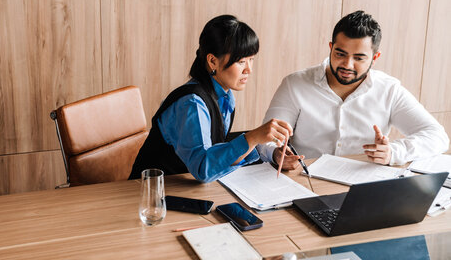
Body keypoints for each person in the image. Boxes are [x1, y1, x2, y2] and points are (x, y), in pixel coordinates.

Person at [257, 10, 449, 170]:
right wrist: (275, 153)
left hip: (363, 188)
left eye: (359, 58)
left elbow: (437, 137)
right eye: (340, 54)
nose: (347, 64)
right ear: (331, 48)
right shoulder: (295, 84)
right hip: (306, 182)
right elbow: (264, 140)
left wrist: (394, 152)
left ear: (375, 57)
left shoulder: (389, 90)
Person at [130, 15, 292, 182]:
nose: (249, 69)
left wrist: (269, 150)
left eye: (251, 59)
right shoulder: (191, 103)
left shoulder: (225, 97)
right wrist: (252, 137)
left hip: (185, 190)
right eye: (242, 61)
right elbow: (203, 168)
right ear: (213, 61)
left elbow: (217, 155)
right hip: (150, 194)